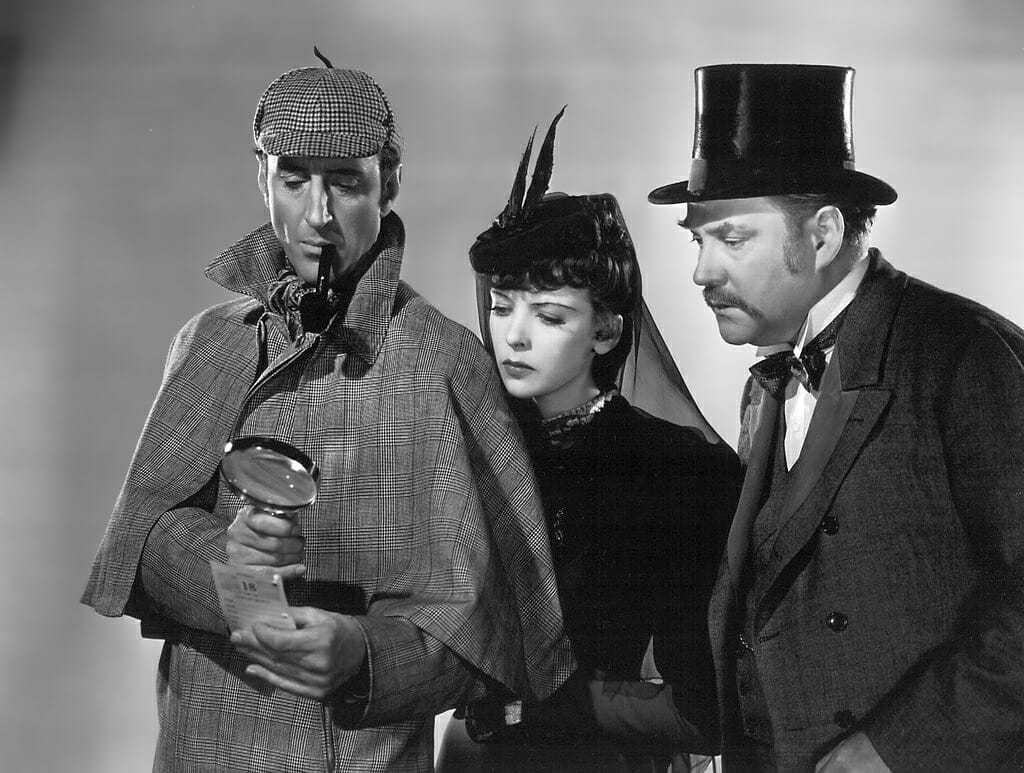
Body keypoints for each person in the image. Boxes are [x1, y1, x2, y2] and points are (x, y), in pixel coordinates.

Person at [80, 51, 574, 772]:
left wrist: (363, 654)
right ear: (262, 178)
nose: (318, 214)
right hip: (202, 749)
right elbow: (139, 545)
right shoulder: (209, 341)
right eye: (294, 179)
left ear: (389, 182)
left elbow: (486, 633)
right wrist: (230, 565)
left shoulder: (445, 363)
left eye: (345, 182)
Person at [648, 63, 1024, 771]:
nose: (701, 271)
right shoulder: (765, 387)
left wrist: (897, 748)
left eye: (732, 239)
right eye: (697, 241)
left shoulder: (964, 356)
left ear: (822, 235)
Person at [436, 109, 743, 772]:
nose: (513, 335)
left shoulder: (678, 470)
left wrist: (542, 709)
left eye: (548, 315)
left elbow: (703, 705)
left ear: (605, 330)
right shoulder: (467, 452)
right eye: (501, 306)